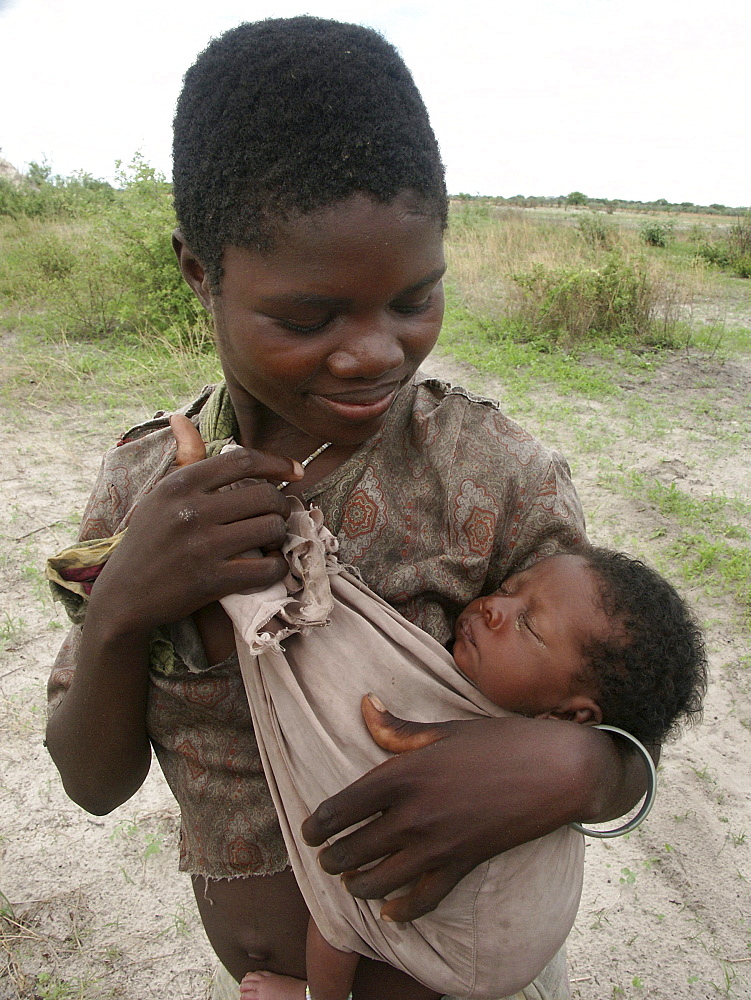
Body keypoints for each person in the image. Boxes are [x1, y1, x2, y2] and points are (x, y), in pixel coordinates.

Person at [44, 17, 660, 1000]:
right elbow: (91, 780)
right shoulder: (141, 494)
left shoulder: (491, 479)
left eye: (415, 298)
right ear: (200, 272)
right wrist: (123, 606)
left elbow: (621, 723)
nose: (376, 352)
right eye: (308, 315)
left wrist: (581, 771)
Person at [202, 508, 705, 1000]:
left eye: (527, 627)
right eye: (507, 589)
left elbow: (638, 739)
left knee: (341, 922)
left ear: (572, 720)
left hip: (462, 947)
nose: (493, 606)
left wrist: (581, 768)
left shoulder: (534, 752)